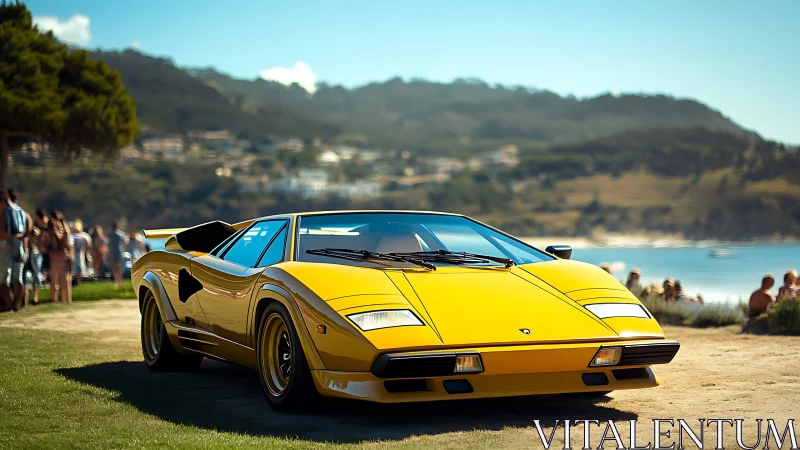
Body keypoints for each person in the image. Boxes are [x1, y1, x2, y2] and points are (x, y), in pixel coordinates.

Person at [0, 189, 33, 311]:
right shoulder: (22, 212)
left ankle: (8, 304)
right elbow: (28, 231)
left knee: (3, 278)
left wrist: (9, 238)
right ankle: (17, 304)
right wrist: (19, 238)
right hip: (20, 246)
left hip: (5, 246)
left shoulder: (4, 211)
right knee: (18, 277)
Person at [41, 210, 73, 304]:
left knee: (60, 282)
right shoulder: (59, 233)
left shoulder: (50, 235)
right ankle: (64, 300)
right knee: (61, 282)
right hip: (59, 258)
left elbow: (43, 247)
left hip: (58, 259)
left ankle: (60, 300)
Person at [71, 219, 92, 286]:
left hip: (79, 254)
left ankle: (77, 282)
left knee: (77, 268)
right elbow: (89, 246)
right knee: (78, 268)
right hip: (80, 254)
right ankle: (77, 282)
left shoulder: (73, 236)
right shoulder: (84, 236)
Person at [108, 222, 128, 288]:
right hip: (120, 251)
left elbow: (109, 244)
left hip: (113, 251)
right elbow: (125, 243)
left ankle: (117, 280)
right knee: (119, 267)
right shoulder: (122, 234)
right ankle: (120, 281)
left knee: (114, 267)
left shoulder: (111, 234)